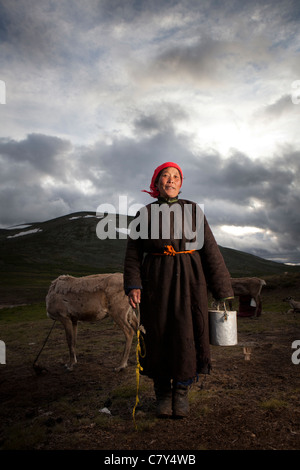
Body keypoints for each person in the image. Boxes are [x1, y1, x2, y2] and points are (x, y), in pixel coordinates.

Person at [124, 162, 233, 419]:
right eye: (165, 176)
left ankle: (181, 393)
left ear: (181, 184)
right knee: (158, 332)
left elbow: (210, 250)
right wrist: (133, 284)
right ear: (157, 183)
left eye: (176, 177)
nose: (170, 180)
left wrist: (222, 288)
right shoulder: (144, 214)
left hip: (190, 280)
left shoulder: (193, 210)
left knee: (187, 331)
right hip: (155, 281)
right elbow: (132, 253)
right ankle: (162, 393)